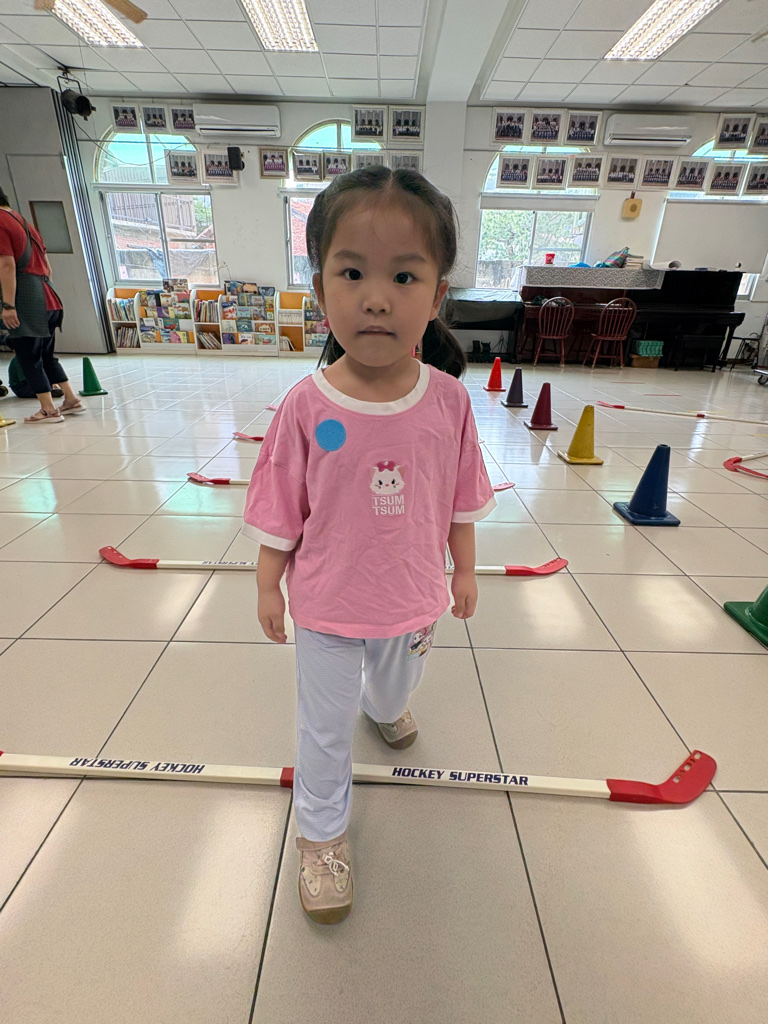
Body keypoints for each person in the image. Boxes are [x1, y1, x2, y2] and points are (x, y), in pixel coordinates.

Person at [242, 166, 494, 926]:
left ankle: (386, 707)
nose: (376, 297)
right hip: (326, 603)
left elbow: (459, 495)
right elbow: (282, 503)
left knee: (391, 692)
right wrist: (268, 582)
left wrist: (465, 568)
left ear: (437, 295)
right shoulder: (307, 406)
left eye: (403, 276)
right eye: (351, 273)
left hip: (412, 597)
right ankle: (320, 837)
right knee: (323, 729)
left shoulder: (448, 403)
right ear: (321, 289)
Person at [0, 186, 84, 422]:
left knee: (28, 356)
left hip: (28, 301)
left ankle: (48, 409)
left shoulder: (1, 222)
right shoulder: (23, 222)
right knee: (46, 355)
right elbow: (47, 265)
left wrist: (8, 306)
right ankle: (71, 399)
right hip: (49, 296)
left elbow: (6, 265)